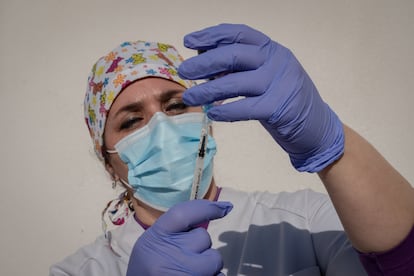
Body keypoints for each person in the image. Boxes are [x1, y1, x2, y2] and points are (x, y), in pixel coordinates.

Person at [50, 24, 414, 276]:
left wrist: (334, 148)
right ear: (109, 162)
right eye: (131, 122)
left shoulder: (301, 220)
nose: (160, 127)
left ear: (207, 123)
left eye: (176, 106)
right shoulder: (80, 270)